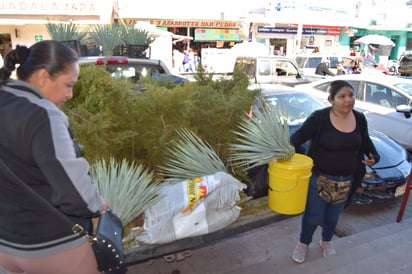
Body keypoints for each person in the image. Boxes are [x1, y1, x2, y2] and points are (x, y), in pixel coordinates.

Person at [0, 40, 107, 274]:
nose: (69, 95)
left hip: (5, 244)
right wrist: (97, 204)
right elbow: (72, 189)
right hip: (52, 246)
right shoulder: (44, 115)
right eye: (68, 85)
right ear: (43, 77)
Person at [290, 80, 380, 263]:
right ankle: (303, 243)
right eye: (342, 96)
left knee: (333, 215)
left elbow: (366, 144)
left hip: (346, 180)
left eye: (351, 95)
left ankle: (327, 241)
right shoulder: (319, 118)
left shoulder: (360, 119)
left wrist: (374, 156)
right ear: (331, 99)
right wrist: (293, 158)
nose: (348, 100)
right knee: (313, 215)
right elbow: (296, 138)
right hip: (319, 179)